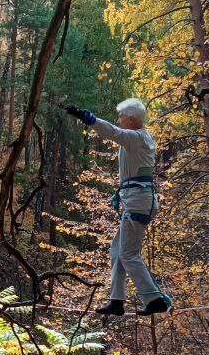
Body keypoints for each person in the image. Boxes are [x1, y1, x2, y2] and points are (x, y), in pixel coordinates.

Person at [66, 98, 172, 316]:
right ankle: (117, 300)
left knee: (129, 254)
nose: (119, 120)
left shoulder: (136, 138)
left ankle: (154, 299)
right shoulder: (139, 139)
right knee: (118, 250)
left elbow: (113, 132)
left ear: (131, 120)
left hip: (138, 203)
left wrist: (90, 119)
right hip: (136, 200)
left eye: (122, 117)